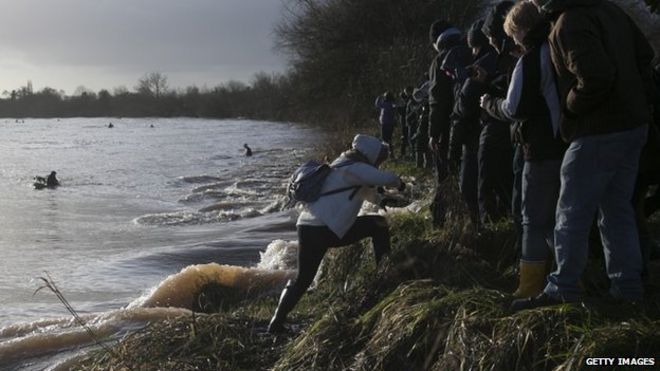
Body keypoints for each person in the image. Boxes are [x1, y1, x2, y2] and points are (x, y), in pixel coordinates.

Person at [512, 0, 655, 310]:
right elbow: (645, 56)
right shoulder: (612, 11)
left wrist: (569, 110)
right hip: (633, 125)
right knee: (617, 210)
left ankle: (563, 287)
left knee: (571, 212)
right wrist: (637, 98)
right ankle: (628, 287)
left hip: (598, 128)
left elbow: (596, 77)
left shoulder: (569, 23)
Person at [268, 134, 405, 333]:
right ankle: (384, 275)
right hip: (326, 229)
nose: (380, 161)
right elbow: (387, 178)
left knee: (303, 279)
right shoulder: (357, 167)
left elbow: (363, 192)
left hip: (306, 226)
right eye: (379, 157)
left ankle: (276, 323)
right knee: (379, 224)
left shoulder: (340, 166)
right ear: (371, 154)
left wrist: (381, 200)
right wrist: (401, 185)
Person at [480, 1, 566, 298]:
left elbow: (514, 107)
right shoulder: (559, 45)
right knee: (562, 217)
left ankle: (530, 286)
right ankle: (567, 278)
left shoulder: (530, 60)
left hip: (540, 149)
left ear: (519, 29)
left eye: (513, 34)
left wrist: (489, 104)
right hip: (568, 143)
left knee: (534, 218)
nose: (513, 41)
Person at [474, 2, 518, 226]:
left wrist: (489, 101)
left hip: (513, 133)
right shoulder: (510, 58)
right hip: (516, 135)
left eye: (492, 36)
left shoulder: (517, 59)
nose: (490, 41)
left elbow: (514, 105)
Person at [452, 19, 497, 226]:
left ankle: (481, 230)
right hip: (490, 132)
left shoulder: (482, 65)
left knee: (473, 187)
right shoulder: (500, 59)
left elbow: (465, 104)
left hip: (476, 134)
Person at [427, 20, 472, 227]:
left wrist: (433, 133)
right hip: (476, 121)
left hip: (448, 125)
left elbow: (437, 100)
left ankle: (439, 220)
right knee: (470, 170)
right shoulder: (471, 49)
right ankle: (477, 218)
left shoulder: (440, 60)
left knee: (444, 175)